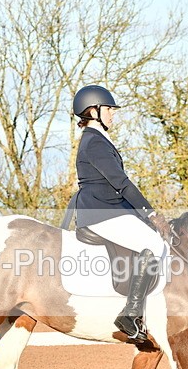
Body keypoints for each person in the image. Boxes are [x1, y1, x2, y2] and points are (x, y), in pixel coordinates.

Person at [72, 84, 172, 343]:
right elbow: (121, 183)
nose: (113, 114)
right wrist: (151, 215)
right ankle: (131, 312)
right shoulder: (94, 142)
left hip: (109, 210)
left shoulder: (97, 140)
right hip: (101, 213)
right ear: (92, 111)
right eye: (109, 109)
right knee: (152, 242)